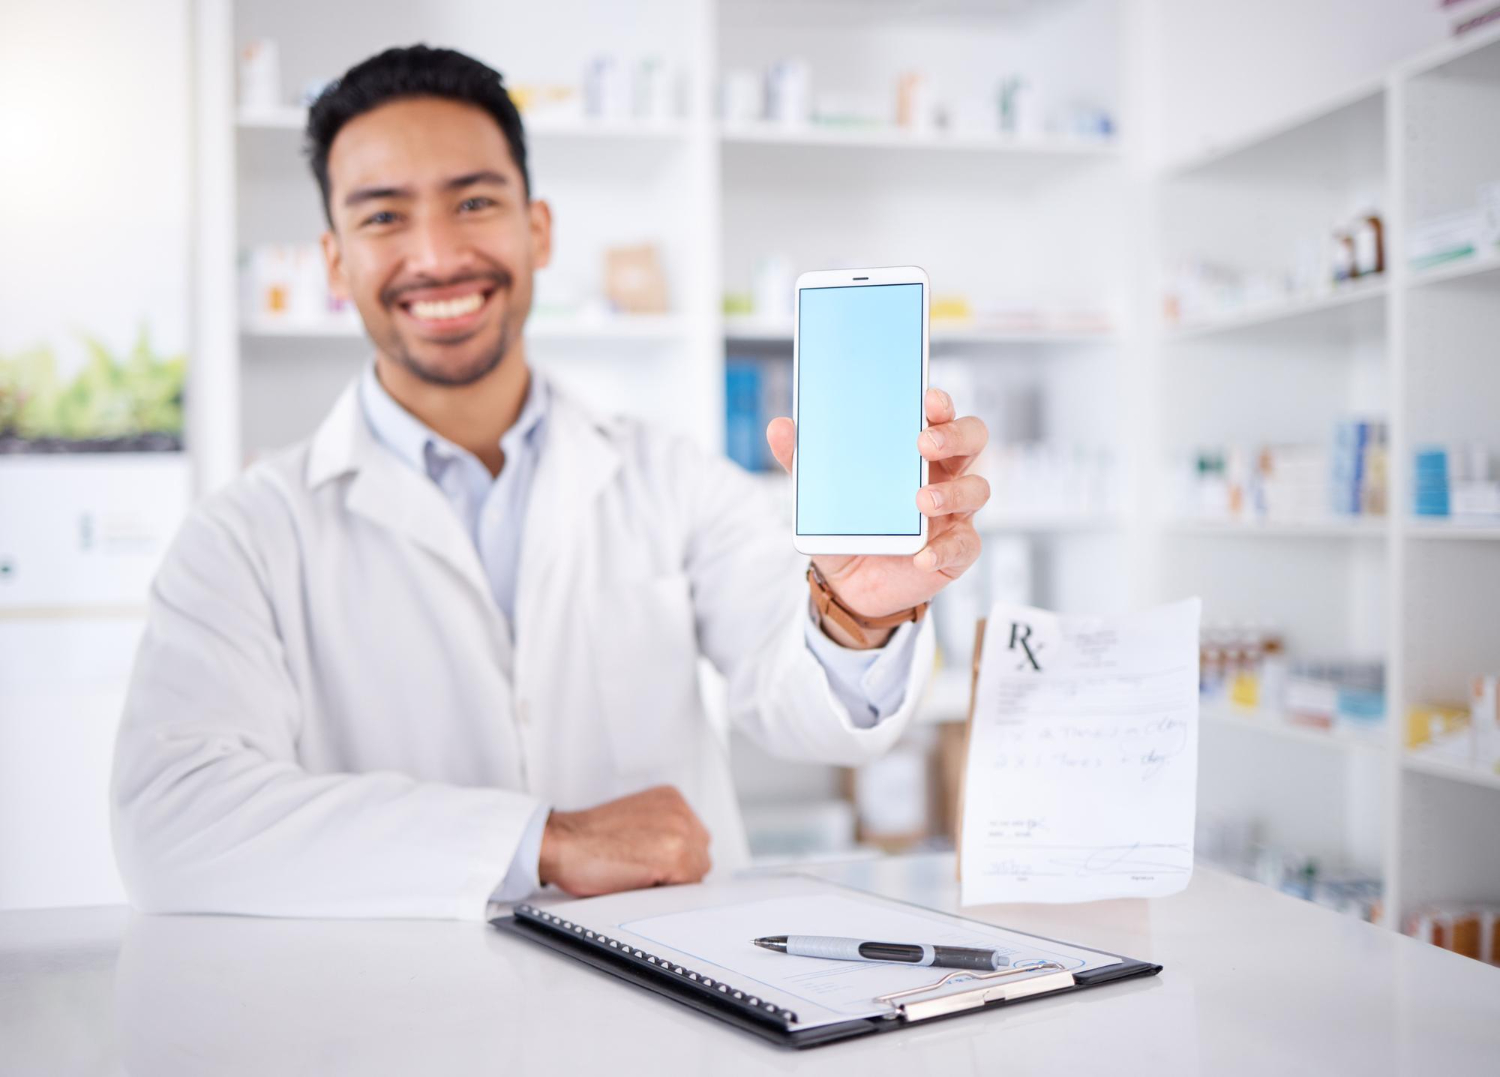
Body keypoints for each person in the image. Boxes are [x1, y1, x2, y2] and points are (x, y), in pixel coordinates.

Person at [111, 46, 990, 919]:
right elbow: (172, 820)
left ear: (538, 229)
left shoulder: (669, 476)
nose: (437, 253)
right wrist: (542, 840)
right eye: (383, 217)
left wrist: (860, 613)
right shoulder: (245, 535)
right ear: (335, 262)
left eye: (474, 202)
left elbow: (800, 704)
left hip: (673, 1022)